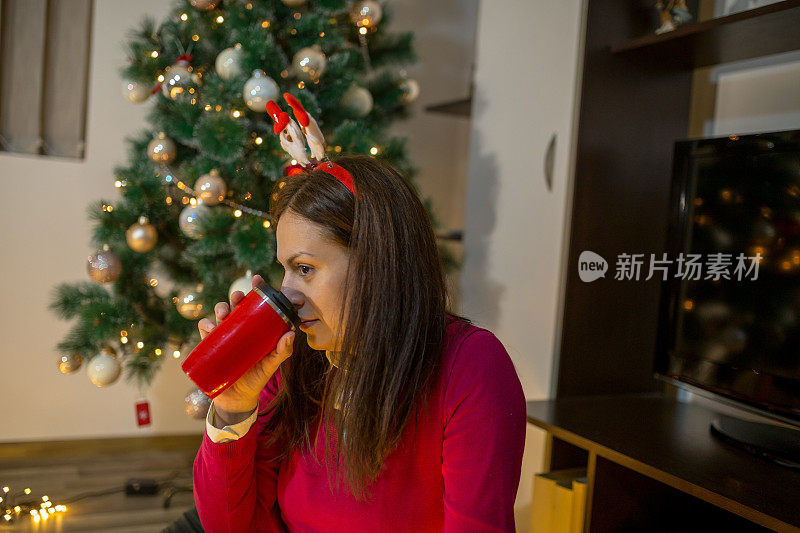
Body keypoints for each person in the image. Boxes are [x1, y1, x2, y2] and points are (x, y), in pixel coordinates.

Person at [191, 154, 527, 532]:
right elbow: (230, 525)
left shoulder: (472, 367)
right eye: (285, 269)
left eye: (304, 269)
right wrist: (233, 410)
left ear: (375, 262)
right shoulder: (290, 364)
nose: (287, 293)